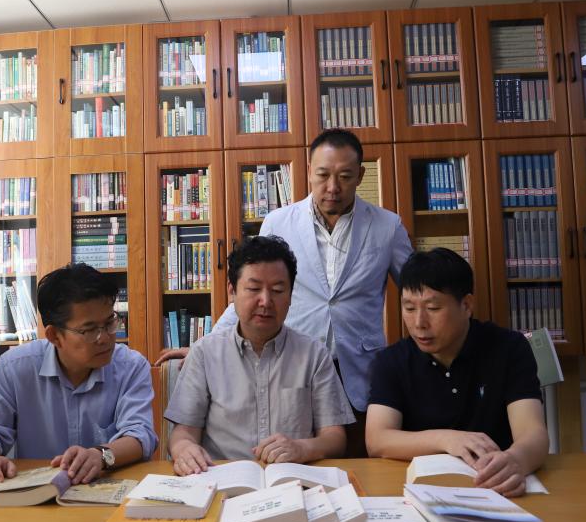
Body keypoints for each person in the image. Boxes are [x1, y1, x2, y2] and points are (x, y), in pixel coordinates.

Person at [157, 129, 412, 456]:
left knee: (353, 462)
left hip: (359, 370)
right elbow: (253, 287)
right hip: (293, 364)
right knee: (288, 453)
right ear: (308, 171)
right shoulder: (279, 222)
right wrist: (206, 346)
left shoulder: (387, 226)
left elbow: (417, 291)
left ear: (360, 175)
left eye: (345, 176)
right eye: (323, 175)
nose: (332, 187)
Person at [365, 248, 549, 497]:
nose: (419, 323)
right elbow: (377, 440)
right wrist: (446, 440)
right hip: (419, 494)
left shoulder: (509, 349)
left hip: (494, 489)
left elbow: (533, 434)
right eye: (409, 308)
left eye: (433, 308)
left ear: (467, 305)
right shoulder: (391, 361)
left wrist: (515, 461)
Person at [0, 263, 157, 490]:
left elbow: (140, 435)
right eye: (89, 330)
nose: (105, 338)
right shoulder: (14, 369)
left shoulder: (131, 367)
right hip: (35, 497)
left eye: (110, 322)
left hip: (106, 491)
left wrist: (101, 455)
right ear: (54, 335)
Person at [165, 236, 354, 475]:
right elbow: (184, 432)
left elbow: (335, 438)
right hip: (222, 481)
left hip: (292, 481)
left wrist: (302, 448)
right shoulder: (204, 353)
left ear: (290, 296)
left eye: (277, 290)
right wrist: (184, 449)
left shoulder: (314, 355)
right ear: (232, 291)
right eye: (254, 289)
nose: (265, 301)